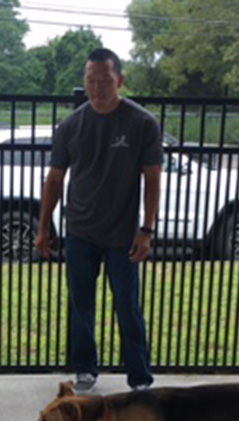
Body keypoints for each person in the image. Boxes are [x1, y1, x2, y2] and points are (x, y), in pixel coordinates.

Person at [36, 48, 162, 393]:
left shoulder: (142, 123)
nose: (97, 88)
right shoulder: (71, 126)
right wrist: (43, 227)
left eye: (105, 80)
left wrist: (147, 229)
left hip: (123, 236)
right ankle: (86, 370)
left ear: (120, 80)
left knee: (128, 307)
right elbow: (55, 179)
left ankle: (140, 379)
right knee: (81, 306)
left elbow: (152, 178)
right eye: (90, 80)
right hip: (79, 233)